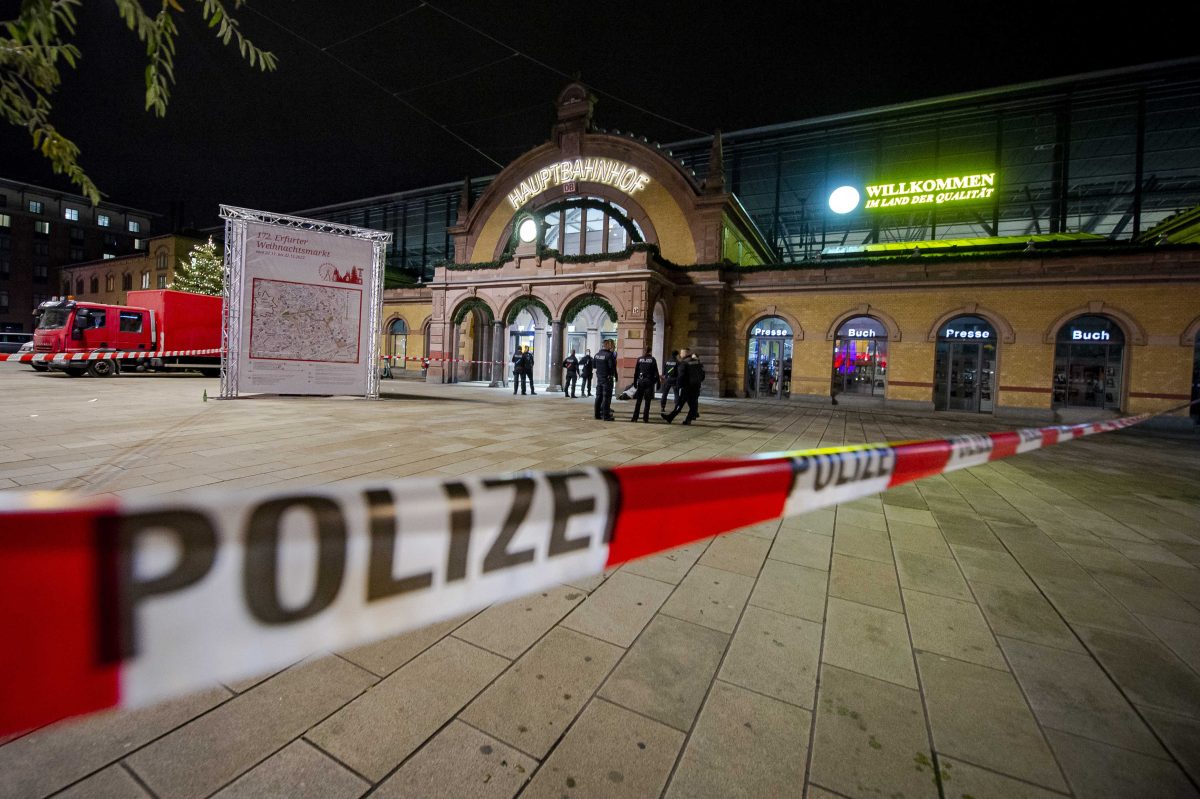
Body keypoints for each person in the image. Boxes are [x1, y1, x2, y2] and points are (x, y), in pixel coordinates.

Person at [663, 349, 704, 424]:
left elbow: (681, 376)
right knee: (693, 405)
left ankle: (671, 417)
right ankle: (684, 419)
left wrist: (679, 386)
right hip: (696, 386)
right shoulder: (697, 362)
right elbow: (702, 375)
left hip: (687, 387)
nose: (680, 355)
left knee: (681, 403)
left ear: (685, 354)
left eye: (681, 353)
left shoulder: (684, 363)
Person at [630, 347, 660, 423]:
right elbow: (656, 372)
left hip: (641, 382)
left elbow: (636, 372)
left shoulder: (639, 359)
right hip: (649, 382)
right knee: (647, 401)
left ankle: (635, 418)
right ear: (650, 351)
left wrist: (634, 382)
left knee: (639, 401)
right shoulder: (652, 359)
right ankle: (645, 418)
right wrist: (657, 382)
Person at [592, 339, 617, 421]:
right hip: (607, 379)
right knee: (606, 397)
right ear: (607, 345)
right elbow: (612, 367)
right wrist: (613, 375)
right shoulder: (609, 355)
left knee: (598, 396)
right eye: (609, 345)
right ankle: (606, 416)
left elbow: (594, 366)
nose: (610, 346)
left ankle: (597, 415)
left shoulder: (596, 355)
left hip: (599, 378)